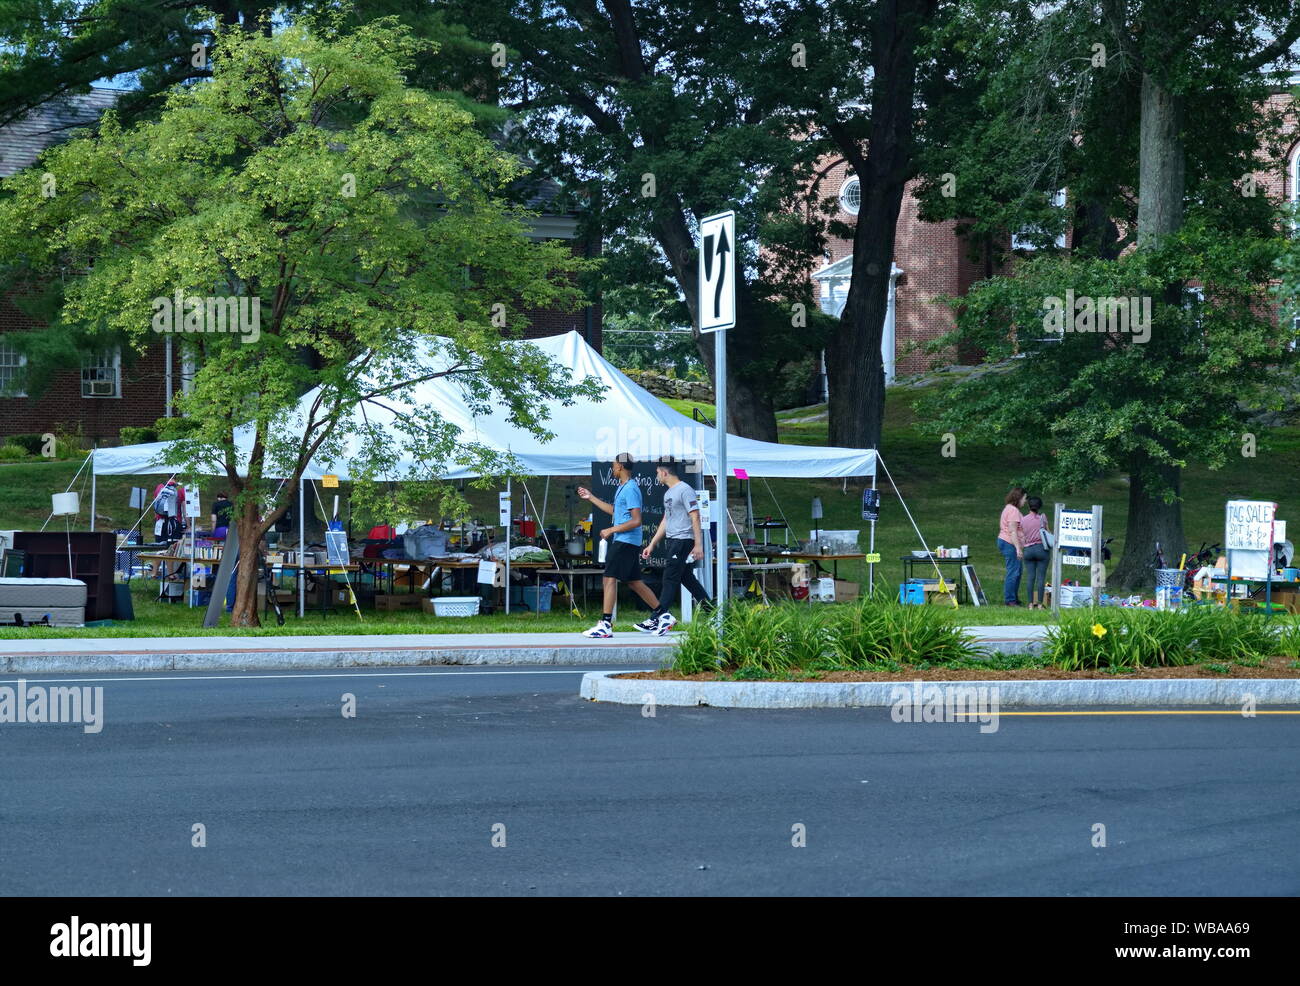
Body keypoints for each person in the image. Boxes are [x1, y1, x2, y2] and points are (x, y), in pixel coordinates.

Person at [576, 452, 663, 638]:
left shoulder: (631, 488)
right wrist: (591, 497)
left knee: (608, 578)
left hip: (626, 541)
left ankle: (605, 624)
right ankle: (663, 615)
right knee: (634, 582)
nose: (612, 468)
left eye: (614, 465)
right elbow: (616, 512)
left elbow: (637, 520)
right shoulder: (623, 488)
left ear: (620, 467)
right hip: (625, 541)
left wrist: (611, 530)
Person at [636, 458, 711, 635]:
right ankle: (714, 613)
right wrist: (652, 544)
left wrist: (698, 545)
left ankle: (659, 617)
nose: (656, 476)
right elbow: (666, 520)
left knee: (669, 578)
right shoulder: (668, 493)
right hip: (672, 540)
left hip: (683, 540)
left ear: (664, 472)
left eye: (657, 473)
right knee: (687, 578)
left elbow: (695, 516)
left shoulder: (685, 490)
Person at [997, 486, 1027, 606]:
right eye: (1024, 498)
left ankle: (1013, 597)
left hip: (1008, 542)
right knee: (1013, 571)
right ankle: (1010, 600)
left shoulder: (1009, 508)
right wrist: (1018, 548)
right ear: (1018, 498)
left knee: (1017, 571)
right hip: (1010, 543)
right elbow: (1013, 531)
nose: (1025, 501)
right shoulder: (1013, 511)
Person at [1020, 496, 1051, 609]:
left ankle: (1029, 604)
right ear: (1040, 506)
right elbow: (1048, 533)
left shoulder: (1023, 519)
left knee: (1030, 577)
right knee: (1041, 577)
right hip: (1041, 549)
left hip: (1028, 550)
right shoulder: (1043, 518)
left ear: (1029, 506)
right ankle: (1039, 604)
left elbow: (1022, 535)